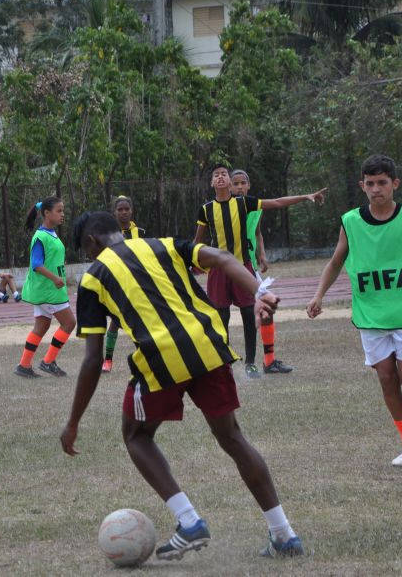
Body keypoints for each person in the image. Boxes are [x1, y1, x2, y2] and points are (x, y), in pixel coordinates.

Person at [63, 210, 303, 560]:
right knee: (232, 437)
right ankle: (284, 534)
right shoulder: (163, 244)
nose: (88, 257)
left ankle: (189, 521)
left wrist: (73, 422)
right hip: (209, 345)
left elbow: (91, 359)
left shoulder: (92, 278)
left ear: (91, 242)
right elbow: (221, 257)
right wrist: (260, 292)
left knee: (136, 435)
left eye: (86, 252)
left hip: (161, 358)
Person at [307, 154, 402, 466]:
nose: (376, 189)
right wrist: (319, 296)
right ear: (362, 186)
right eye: (370, 183)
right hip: (371, 317)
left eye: (382, 182)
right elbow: (335, 261)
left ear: (395, 184)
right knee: (386, 378)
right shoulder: (351, 221)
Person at [194, 163, 326, 379]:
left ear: (228, 180)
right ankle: (223, 364)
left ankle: (251, 363)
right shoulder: (206, 209)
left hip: (243, 267)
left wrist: (306, 196)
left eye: (224, 174)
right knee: (220, 318)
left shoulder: (244, 203)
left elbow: (276, 202)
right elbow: (197, 240)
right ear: (211, 182)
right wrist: (192, 262)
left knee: (248, 314)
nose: (220, 177)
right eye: (216, 175)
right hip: (219, 270)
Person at [230, 170, 293, 375]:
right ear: (229, 187)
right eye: (235, 183)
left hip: (248, 267)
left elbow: (257, 232)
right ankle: (228, 365)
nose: (239, 187)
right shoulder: (225, 208)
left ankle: (266, 361)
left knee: (263, 308)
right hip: (229, 267)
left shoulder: (255, 207)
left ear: (249, 186)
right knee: (221, 317)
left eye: (243, 183)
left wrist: (262, 254)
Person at [15, 197, 75, 378]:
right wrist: (56, 278)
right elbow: (36, 264)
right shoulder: (41, 236)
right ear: (47, 213)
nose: (62, 214)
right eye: (59, 211)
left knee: (42, 325)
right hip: (49, 290)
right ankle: (48, 361)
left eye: (62, 210)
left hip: (44, 290)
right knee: (69, 323)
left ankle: (24, 365)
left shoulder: (50, 233)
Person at [102, 195, 146, 374]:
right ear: (114, 212)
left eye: (126, 209)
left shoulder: (141, 232)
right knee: (115, 321)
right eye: (120, 209)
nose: (123, 212)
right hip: (118, 283)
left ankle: (144, 357)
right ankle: (108, 359)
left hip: (138, 283)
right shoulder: (109, 234)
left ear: (131, 210)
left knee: (142, 321)